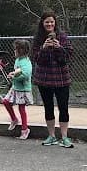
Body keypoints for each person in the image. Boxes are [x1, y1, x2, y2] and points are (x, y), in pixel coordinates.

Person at [32, 11, 74, 148]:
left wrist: (59, 48)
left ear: (55, 23)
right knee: (48, 107)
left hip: (61, 77)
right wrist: (44, 48)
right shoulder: (38, 39)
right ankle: (51, 135)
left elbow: (67, 57)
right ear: (42, 24)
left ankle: (65, 137)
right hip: (44, 78)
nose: (49, 24)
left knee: (63, 107)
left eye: (51, 21)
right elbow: (37, 59)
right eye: (46, 22)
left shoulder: (62, 37)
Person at [2, 39, 34, 140]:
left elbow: (25, 74)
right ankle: (14, 119)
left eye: (16, 49)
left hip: (23, 89)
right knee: (6, 101)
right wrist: (13, 73)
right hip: (15, 87)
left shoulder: (26, 62)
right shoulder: (18, 60)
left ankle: (25, 129)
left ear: (21, 50)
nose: (14, 51)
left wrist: (14, 77)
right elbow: (18, 72)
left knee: (21, 108)